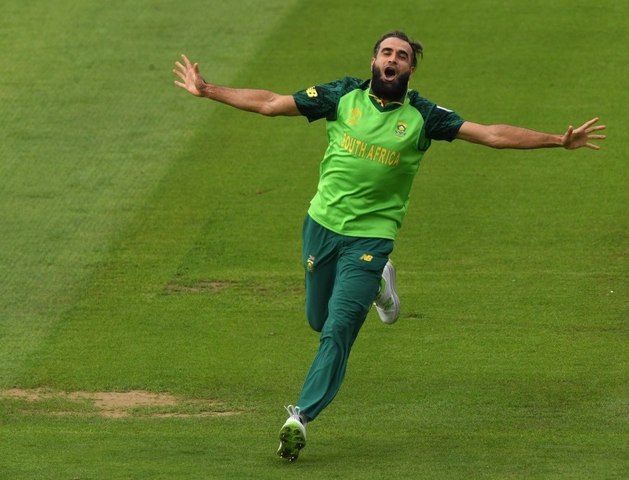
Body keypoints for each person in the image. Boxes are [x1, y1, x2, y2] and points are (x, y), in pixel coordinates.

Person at [173, 30, 606, 461]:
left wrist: (557, 140)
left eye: (401, 55)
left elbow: (491, 133)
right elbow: (270, 103)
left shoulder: (424, 115)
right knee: (318, 319)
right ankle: (381, 285)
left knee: (340, 328)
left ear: (410, 69)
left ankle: (300, 417)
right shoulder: (341, 96)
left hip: (371, 237)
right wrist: (208, 90)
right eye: (386, 52)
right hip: (322, 226)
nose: (392, 59)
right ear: (374, 62)